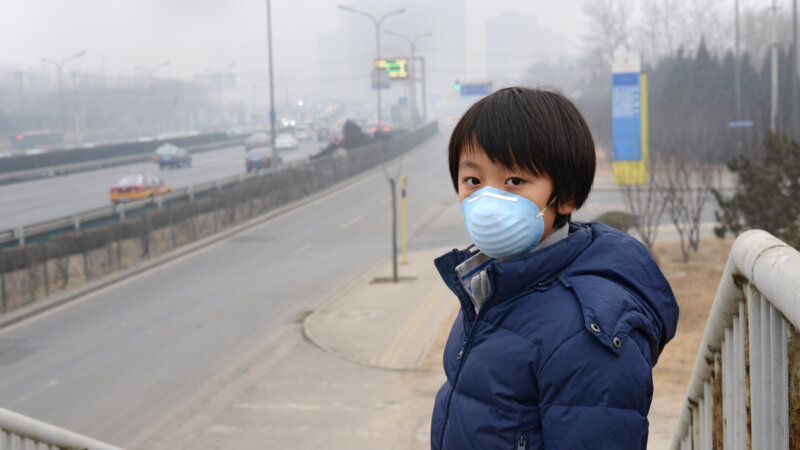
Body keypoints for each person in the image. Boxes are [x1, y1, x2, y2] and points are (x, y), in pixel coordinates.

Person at [430, 87, 679, 449]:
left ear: (566, 196)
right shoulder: (492, 285)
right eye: (473, 181)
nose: (486, 200)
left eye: (514, 181)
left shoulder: (587, 332)